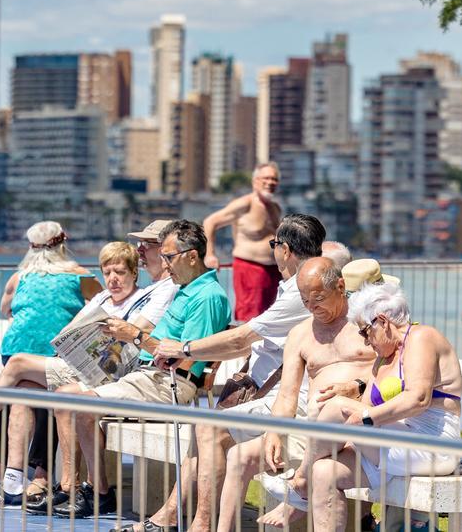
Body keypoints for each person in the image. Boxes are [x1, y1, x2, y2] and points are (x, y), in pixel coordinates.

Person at [0, 235, 174, 511]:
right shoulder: (102, 298)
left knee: (17, 364)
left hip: (107, 375)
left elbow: (132, 340)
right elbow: (70, 331)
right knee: (23, 386)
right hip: (80, 368)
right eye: (107, 272)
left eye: (120, 273)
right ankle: (12, 483)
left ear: (135, 273)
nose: (113, 279)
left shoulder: (143, 298)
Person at [116, 214, 327, 532]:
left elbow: (243, 339)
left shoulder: (300, 293)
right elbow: (246, 343)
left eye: (273, 244)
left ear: (283, 249)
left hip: (282, 396)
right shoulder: (293, 288)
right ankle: (169, 518)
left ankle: (199, 525)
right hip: (264, 390)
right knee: (205, 432)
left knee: (210, 431)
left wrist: (183, 350)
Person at [52, 219, 231, 519]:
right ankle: (85, 488)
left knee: (77, 403)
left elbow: (186, 358)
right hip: (151, 376)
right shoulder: (186, 289)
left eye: (168, 257)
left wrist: (133, 336)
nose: (164, 263)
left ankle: (98, 493)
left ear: (191, 256)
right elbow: (166, 346)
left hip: (170, 384)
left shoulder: (206, 296)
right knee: (66, 395)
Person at [276, 281, 462, 532]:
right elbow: (364, 409)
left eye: (365, 331)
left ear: (383, 322)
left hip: (432, 444)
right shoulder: (382, 360)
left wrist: (366, 418)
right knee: (324, 471)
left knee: (337, 408)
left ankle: (300, 480)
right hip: (395, 443)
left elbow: (417, 398)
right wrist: (361, 423)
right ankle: (308, 478)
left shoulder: (421, 337)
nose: (365, 341)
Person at [221, 257, 376, 529]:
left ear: (340, 286)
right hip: (312, 429)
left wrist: (357, 385)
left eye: (318, 298)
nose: (312, 307)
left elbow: (389, 372)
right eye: (305, 300)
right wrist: (274, 432)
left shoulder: (365, 324)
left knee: (323, 466)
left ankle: (298, 494)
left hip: (358, 427)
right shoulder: (300, 333)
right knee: (239, 455)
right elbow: (287, 395)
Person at [0, 221, 100, 505]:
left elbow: (5, 309)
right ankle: (40, 477)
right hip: (56, 353)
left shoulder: (20, 277)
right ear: (63, 243)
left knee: (4, 406)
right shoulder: (79, 275)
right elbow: (104, 303)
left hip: (15, 349)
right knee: (47, 410)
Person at [203, 162, 282, 321]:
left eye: (274, 179)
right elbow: (210, 222)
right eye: (266, 178)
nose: (270, 182)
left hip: (274, 271)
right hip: (250, 267)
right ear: (255, 181)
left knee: (270, 318)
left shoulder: (275, 208)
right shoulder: (245, 204)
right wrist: (210, 254)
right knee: (250, 317)